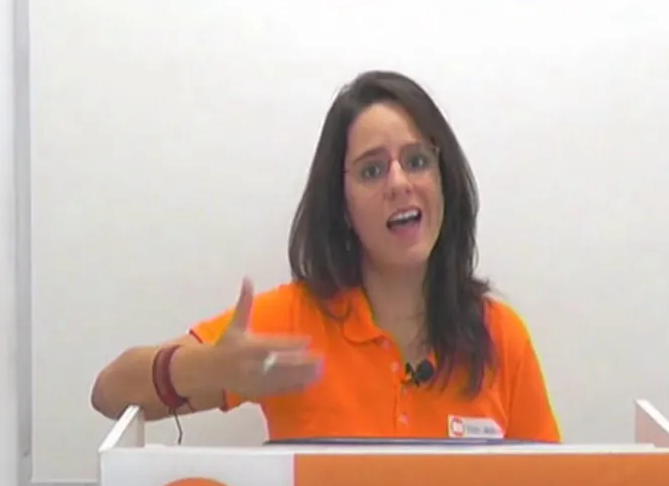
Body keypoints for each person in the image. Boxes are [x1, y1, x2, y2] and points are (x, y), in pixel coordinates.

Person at [91, 70, 561, 442]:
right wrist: (211, 368)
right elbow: (110, 391)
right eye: (372, 170)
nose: (399, 183)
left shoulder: (501, 335)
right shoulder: (293, 320)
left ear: (444, 181)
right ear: (342, 206)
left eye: (417, 161)